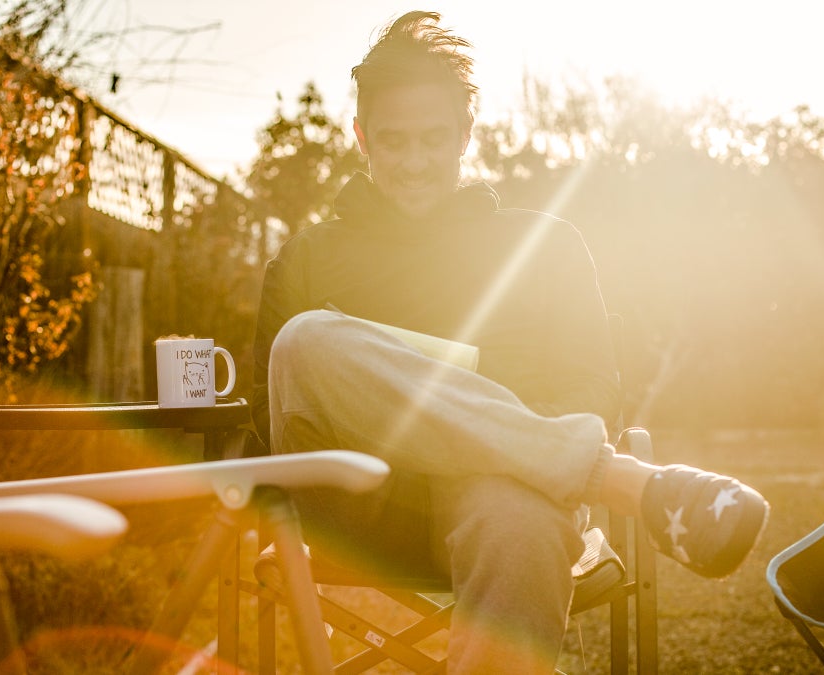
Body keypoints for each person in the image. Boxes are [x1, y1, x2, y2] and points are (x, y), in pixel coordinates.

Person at [251, 11, 769, 673]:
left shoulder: (546, 246)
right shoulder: (305, 258)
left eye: (434, 139)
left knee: (520, 527)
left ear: (467, 134)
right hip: (359, 507)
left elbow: (592, 387)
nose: (413, 162)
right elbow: (275, 416)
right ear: (361, 138)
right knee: (305, 342)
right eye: (393, 141)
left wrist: (487, 434)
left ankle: (569, 470)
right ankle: (623, 481)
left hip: (505, 495)